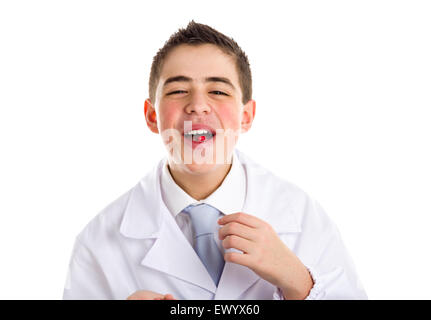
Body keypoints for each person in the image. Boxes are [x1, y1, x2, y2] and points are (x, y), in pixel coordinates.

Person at [62, 20, 367, 300]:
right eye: (179, 90)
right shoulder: (98, 242)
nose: (197, 106)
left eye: (218, 90)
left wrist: (299, 282)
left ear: (246, 116)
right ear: (152, 116)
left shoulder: (302, 218)